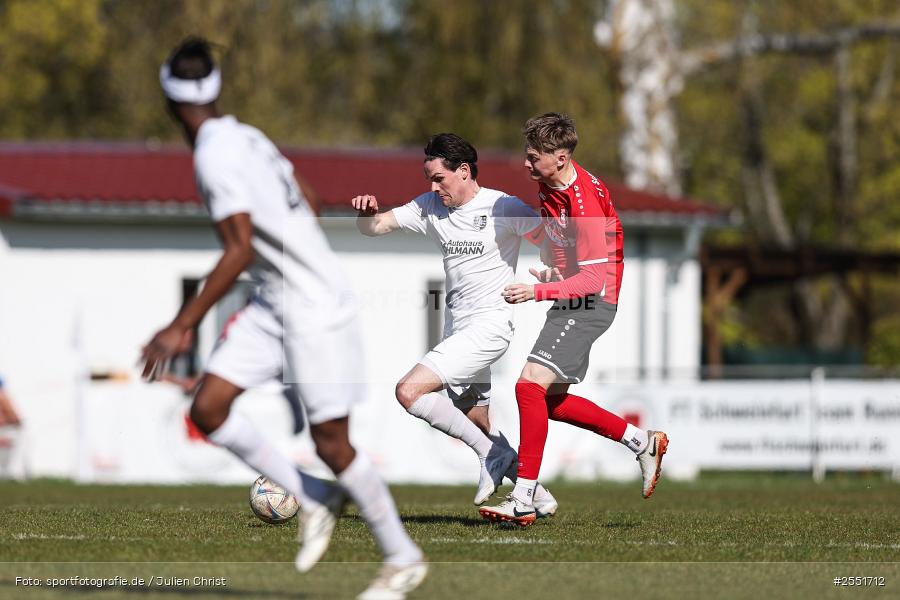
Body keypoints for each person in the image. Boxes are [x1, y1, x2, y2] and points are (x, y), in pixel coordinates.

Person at [142, 38, 426, 599]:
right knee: (209, 406)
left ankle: (402, 557)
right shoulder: (248, 136)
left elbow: (239, 247)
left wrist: (183, 324)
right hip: (277, 299)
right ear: (215, 87)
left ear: (170, 102)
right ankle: (314, 498)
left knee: (332, 445)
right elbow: (311, 203)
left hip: (312, 304)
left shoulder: (211, 154)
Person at [352, 133, 558, 516]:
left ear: (463, 171)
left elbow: (549, 242)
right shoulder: (431, 206)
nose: (432, 186)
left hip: (490, 328)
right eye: (429, 178)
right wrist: (366, 215)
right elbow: (375, 227)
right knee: (478, 423)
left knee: (408, 392)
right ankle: (538, 497)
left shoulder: (503, 206)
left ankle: (493, 458)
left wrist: (550, 274)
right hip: (457, 329)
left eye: (439, 178)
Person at [480, 113, 669, 527]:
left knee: (528, 386)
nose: (526, 165)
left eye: (533, 157)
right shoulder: (551, 187)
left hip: (595, 298)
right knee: (547, 399)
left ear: (560, 157)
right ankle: (642, 442)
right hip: (582, 291)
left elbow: (594, 277)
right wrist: (554, 273)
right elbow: (571, 258)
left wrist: (537, 291)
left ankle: (524, 495)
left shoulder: (583, 199)